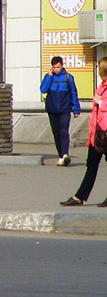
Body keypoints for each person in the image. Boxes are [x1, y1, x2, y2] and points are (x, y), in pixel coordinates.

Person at [60, 57, 107, 205]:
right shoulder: (102, 86)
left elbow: (103, 106)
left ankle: (79, 197)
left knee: (93, 165)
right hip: (97, 134)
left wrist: (100, 102)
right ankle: (79, 196)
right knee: (91, 164)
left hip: (105, 133)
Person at [42, 55, 81, 167]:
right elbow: (43, 90)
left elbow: (74, 93)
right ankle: (61, 155)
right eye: (54, 67)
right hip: (52, 110)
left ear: (62, 65)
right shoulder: (49, 77)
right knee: (56, 133)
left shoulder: (68, 77)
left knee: (64, 132)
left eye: (58, 67)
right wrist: (49, 76)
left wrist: (76, 109)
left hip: (65, 109)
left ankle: (65, 154)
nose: (56, 69)